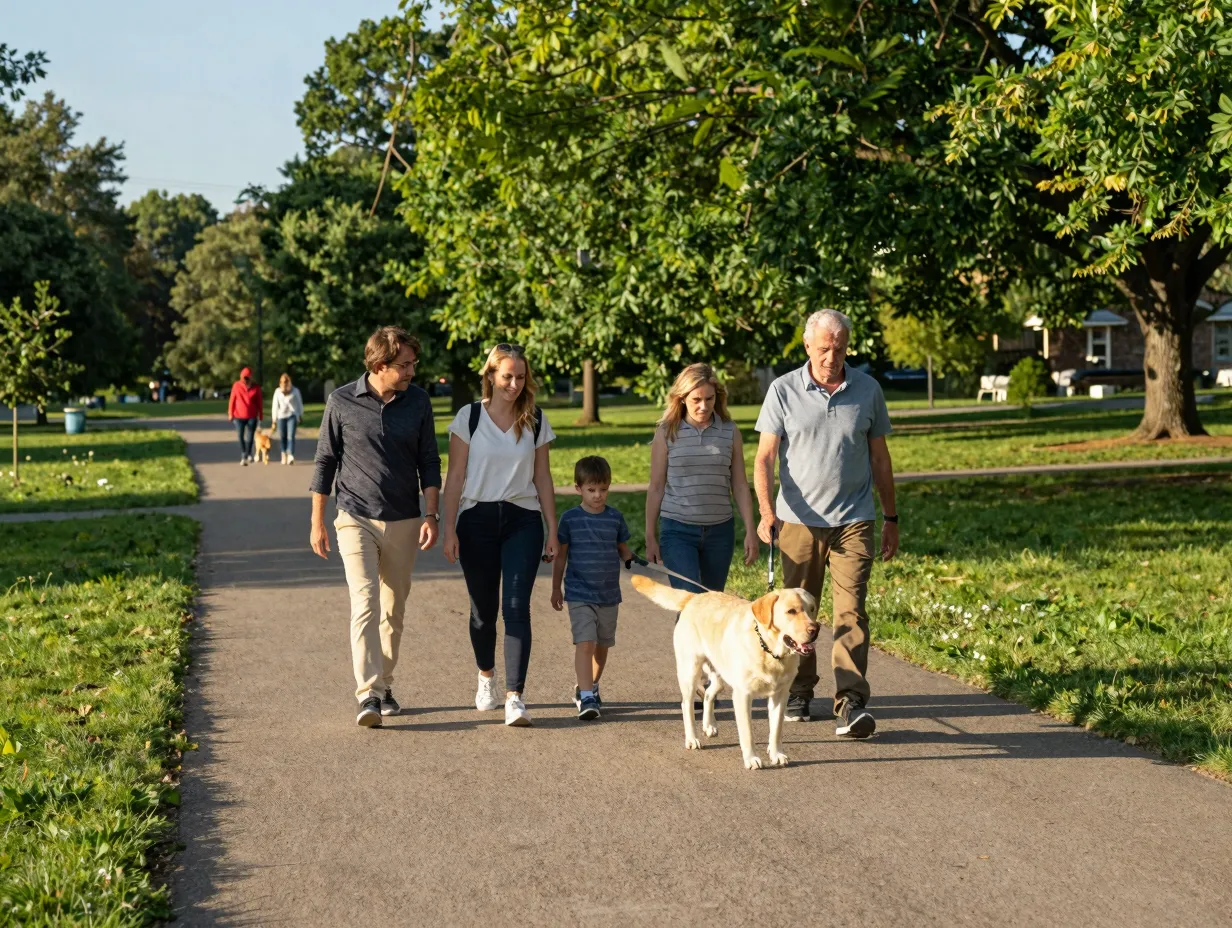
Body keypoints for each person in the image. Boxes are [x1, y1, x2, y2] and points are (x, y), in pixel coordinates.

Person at [753, 308, 899, 738]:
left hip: (854, 518)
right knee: (800, 611)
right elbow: (763, 457)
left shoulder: (867, 389)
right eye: (823, 349)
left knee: (851, 611)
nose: (831, 357)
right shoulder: (782, 390)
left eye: (839, 348)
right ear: (807, 346)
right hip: (797, 521)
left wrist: (890, 516)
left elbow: (880, 458)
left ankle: (850, 702)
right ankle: (799, 689)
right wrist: (766, 511)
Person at [309, 326, 441, 728]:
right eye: (404, 365)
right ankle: (367, 693)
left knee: (392, 609)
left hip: (403, 518)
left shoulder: (418, 402)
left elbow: (429, 462)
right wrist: (317, 522)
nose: (411, 372)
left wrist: (431, 514)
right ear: (379, 365)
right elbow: (325, 462)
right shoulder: (342, 401)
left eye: (413, 364)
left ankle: (384, 684)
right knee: (364, 602)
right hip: (354, 516)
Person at [441, 344, 558, 728]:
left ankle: (515, 697)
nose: (514, 383)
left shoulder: (535, 419)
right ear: (491, 375)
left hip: (522, 519)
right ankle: (486, 677)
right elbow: (455, 476)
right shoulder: (469, 417)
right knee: (483, 612)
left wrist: (552, 528)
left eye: (520, 377)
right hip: (476, 519)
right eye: (507, 376)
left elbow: (542, 476)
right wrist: (448, 529)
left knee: (516, 607)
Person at [645, 363, 759, 592]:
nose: (703, 406)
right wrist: (650, 535)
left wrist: (750, 530)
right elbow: (656, 487)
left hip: (720, 532)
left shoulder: (730, 431)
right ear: (682, 398)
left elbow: (739, 485)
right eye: (696, 399)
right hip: (677, 531)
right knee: (691, 602)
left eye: (709, 399)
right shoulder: (667, 432)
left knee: (712, 605)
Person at [550, 456, 635, 721]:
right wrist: (556, 588)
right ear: (578, 488)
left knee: (602, 645)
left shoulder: (615, 518)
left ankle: (591, 685)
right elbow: (561, 556)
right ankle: (586, 696)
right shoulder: (570, 519)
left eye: (603, 489)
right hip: (579, 593)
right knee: (585, 642)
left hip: (609, 593)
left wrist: (631, 557)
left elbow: (622, 548)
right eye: (591, 490)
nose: (598, 495)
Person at [228, 366, 263, 466]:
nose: (246, 381)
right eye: (244, 378)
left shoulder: (256, 388)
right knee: (240, 435)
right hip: (238, 416)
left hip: (252, 415)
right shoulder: (236, 386)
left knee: (250, 436)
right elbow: (232, 400)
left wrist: (260, 415)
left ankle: (248, 454)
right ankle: (244, 453)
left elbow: (259, 403)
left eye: (247, 378)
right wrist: (230, 413)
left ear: (251, 378)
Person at [271, 373, 304, 464]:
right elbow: (275, 406)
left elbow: (299, 403)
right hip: (281, 417)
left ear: (289, 381)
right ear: (280, 382)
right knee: (282, 436)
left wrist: (300, 414)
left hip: (292, 416)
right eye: (282, 381)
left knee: (291, 436)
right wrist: (274, 419)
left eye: (286, 381)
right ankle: (283, 453)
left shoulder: (295, 391)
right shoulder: (277, 391)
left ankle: (290, 455)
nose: (284, 383)